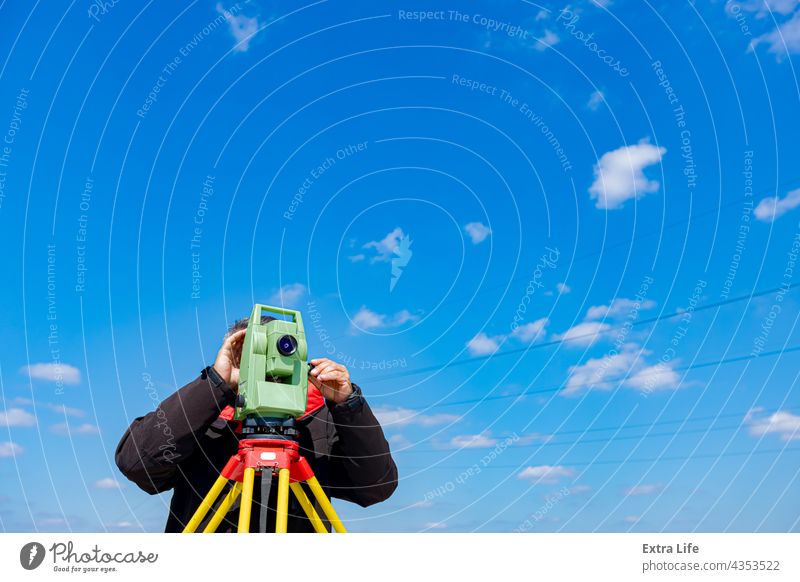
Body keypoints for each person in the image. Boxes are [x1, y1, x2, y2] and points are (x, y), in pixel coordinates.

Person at [115, 315, 398, 532]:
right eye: (254, 353)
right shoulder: (203, 417)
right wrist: (215, 383)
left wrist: (347, 405)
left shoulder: (316, 423)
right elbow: (137, 463)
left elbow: (375, 487)